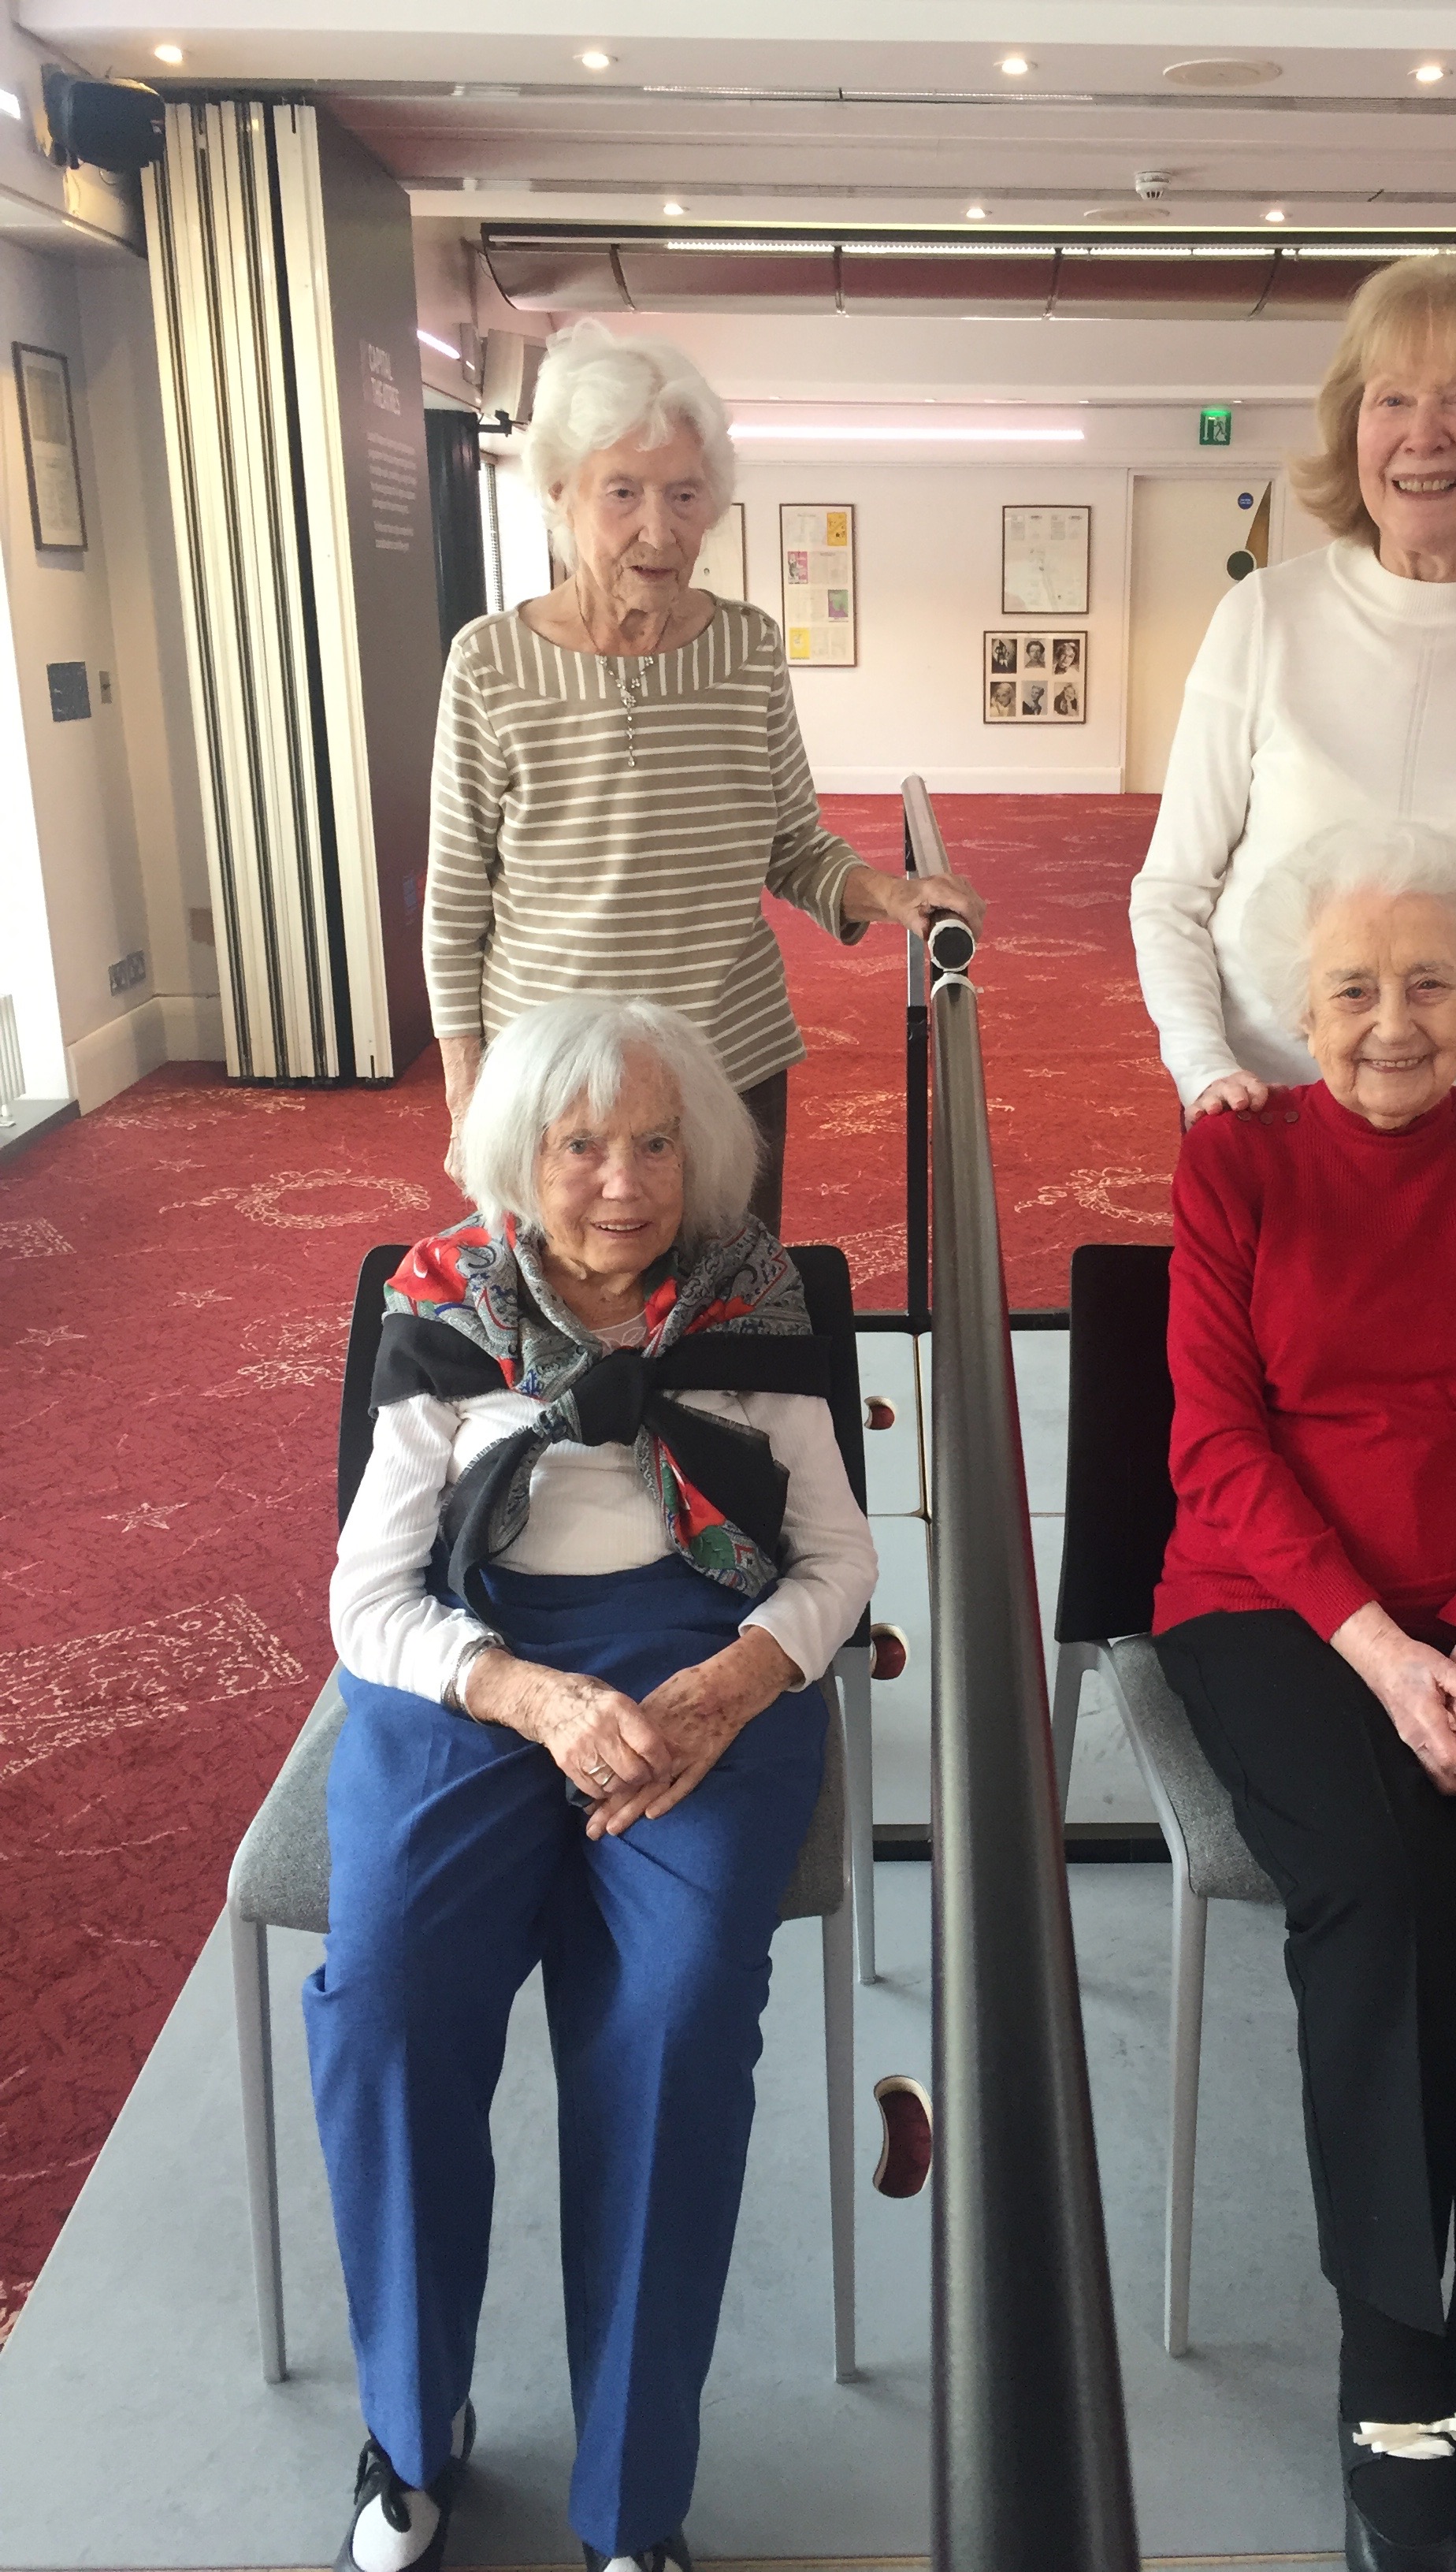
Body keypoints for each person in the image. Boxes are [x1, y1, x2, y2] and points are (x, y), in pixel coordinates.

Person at [306, 994, 878, 2572]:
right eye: (579, 1145)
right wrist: (529, 1695)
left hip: (702, 1657)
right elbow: (367, 1596)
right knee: (390, 1997)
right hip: (477, 1657)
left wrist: (732, 1682)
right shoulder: (446, 1298)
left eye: (654, 1144)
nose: (622, 1182)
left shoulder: (748, 1293)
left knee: (676, 2018)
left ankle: (633, 2502)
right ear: (520, 1153)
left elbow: (837, 1561)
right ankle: (410, 2429)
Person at [1151, 827, 1456, 2572]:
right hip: (1275, 1600)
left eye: (1429, 983)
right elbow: (1215, 1443)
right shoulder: (1236, 1160)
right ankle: (1386, 2368)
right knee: (1389, 1895)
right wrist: (1385, 1654)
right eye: (1354, 989)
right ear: (1299, 1013)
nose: (1392, 1022)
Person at [424, 322, 982, 1228]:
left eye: (685, 494)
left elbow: (793, 846)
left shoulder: (746, 649)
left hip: (725, 1059)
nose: (660, 528)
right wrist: (465, 1097)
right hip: (554, 1080)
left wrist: (892, 894)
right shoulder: (490, 662)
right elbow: (455, 902)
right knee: (570, 1310)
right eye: (623, 492)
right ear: (560, 491)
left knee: (731, 1298)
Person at [1130, 253, 1456, 1128]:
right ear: (1354, 427)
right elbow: (1172, 891)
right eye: (1394, 398)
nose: (1424, 435)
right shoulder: (1266, 617)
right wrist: (1204, 1068)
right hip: (1267, 1105)